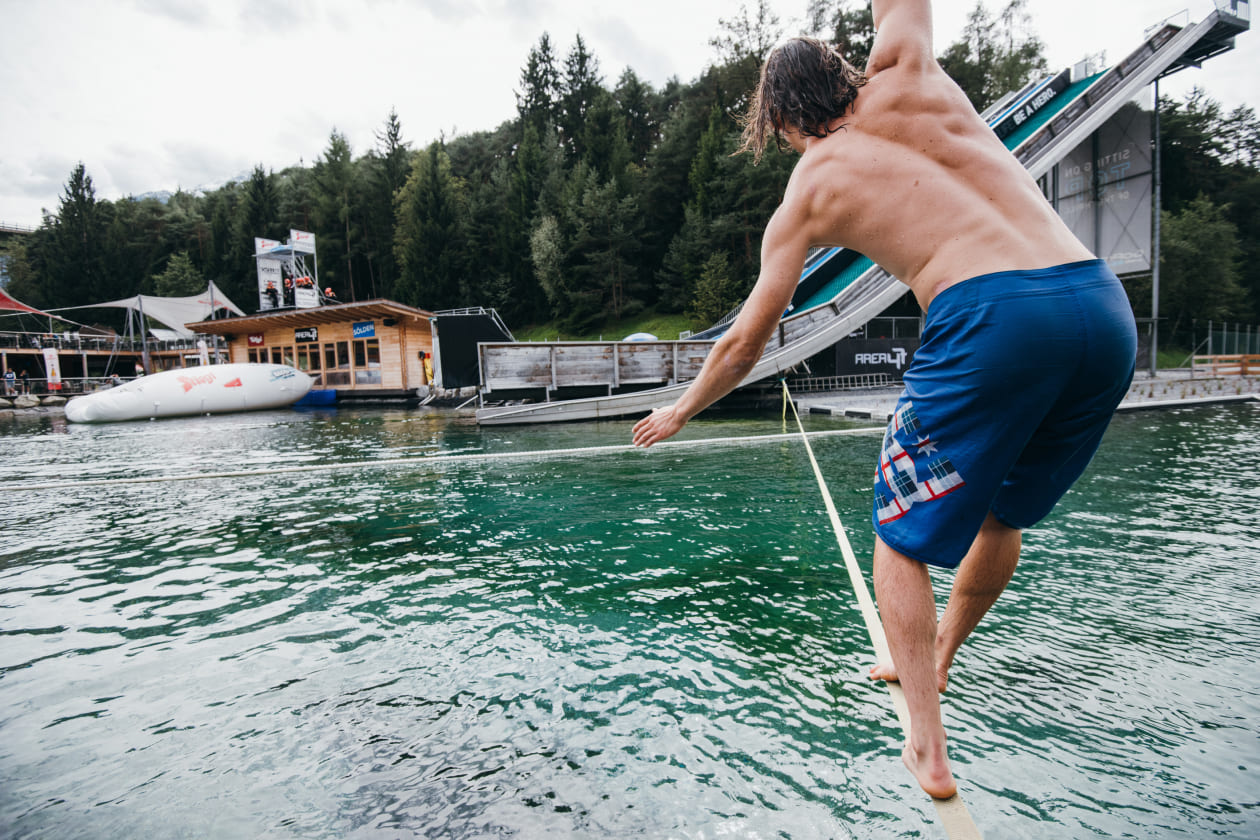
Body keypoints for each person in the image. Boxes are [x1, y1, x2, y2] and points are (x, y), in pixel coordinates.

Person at [631, 0, 1136, 800]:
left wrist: (682, 408)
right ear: (841, 74)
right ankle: (934, 660)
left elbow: (745, 343)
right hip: (1101, 307)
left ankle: (928, 747)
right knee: (1001, 516)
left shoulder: (808, 193)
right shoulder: (908, 73)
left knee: (899, 538)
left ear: (783, 119)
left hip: (992, 317)